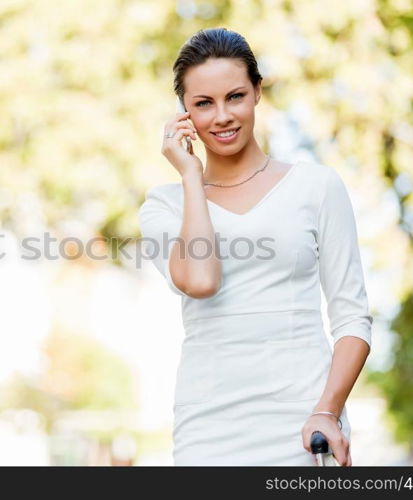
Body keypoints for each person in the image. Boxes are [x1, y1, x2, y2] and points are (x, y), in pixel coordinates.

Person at [138, 27, 372, 466]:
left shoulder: (316, 187)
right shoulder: (165, 206)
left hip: (303, 424)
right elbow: (201, 280)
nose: (222, 116)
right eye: (203, 104)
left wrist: (327, 409)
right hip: (206, 427)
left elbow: (353, 320)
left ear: (258, 93)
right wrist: (191, 177)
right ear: (183, 113)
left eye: (235, 96)